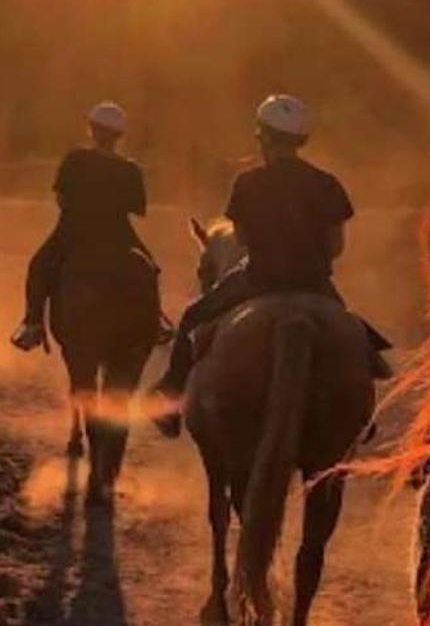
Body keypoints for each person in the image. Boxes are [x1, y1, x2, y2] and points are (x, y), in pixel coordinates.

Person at [147, 94, 391, 438]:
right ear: (300, 141)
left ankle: (171, 399)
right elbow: (335, 246)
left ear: (263, 136)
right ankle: (363, 415)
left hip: (257, 279)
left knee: (191, 318)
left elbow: (243, 239)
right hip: (314, 283)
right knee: (357, 339)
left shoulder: (248, 182)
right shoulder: (327, 183)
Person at [10, 102, 154, 351]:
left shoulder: (76, 158)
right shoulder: (131, 169)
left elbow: (61, 197)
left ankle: (32, 323)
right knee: (151, 270)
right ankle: (156, 321)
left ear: (92, 129)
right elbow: (137, 210)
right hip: (119, 234)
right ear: (119, 136)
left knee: (39, 266)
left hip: (72, 230)